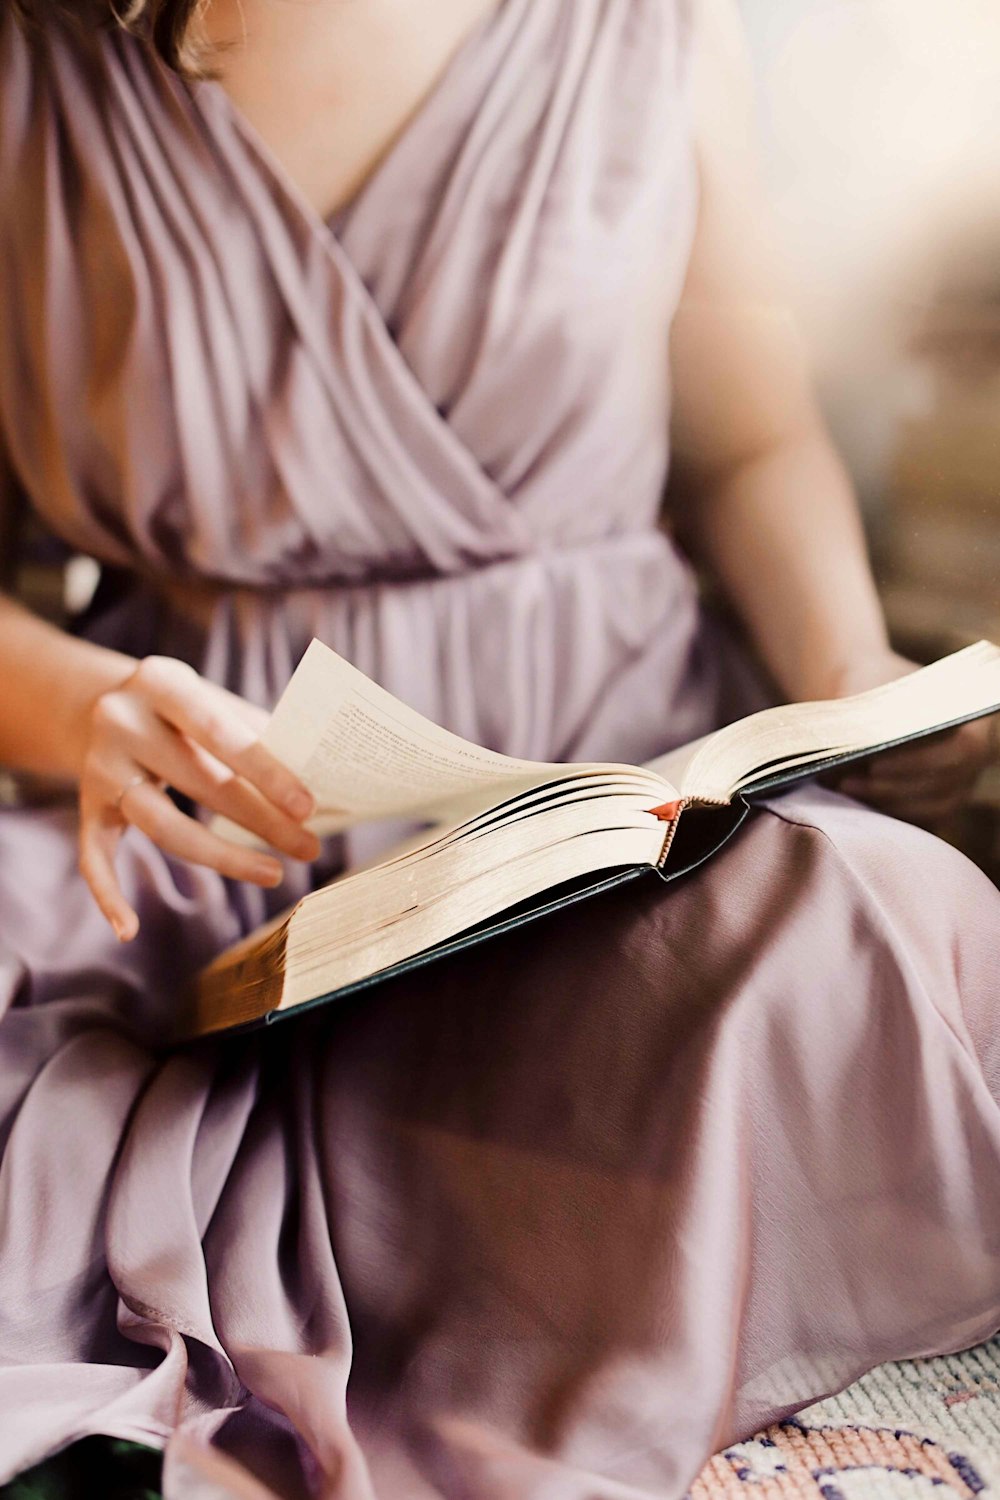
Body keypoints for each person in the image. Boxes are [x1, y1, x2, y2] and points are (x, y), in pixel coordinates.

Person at [0, 1, 998, 1496]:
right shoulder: (33, 60)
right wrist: (84, 706)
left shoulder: (639, 22)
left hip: (611, 784)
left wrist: (851, 672)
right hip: (203, 828)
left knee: (875, 935)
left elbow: (747, 441)